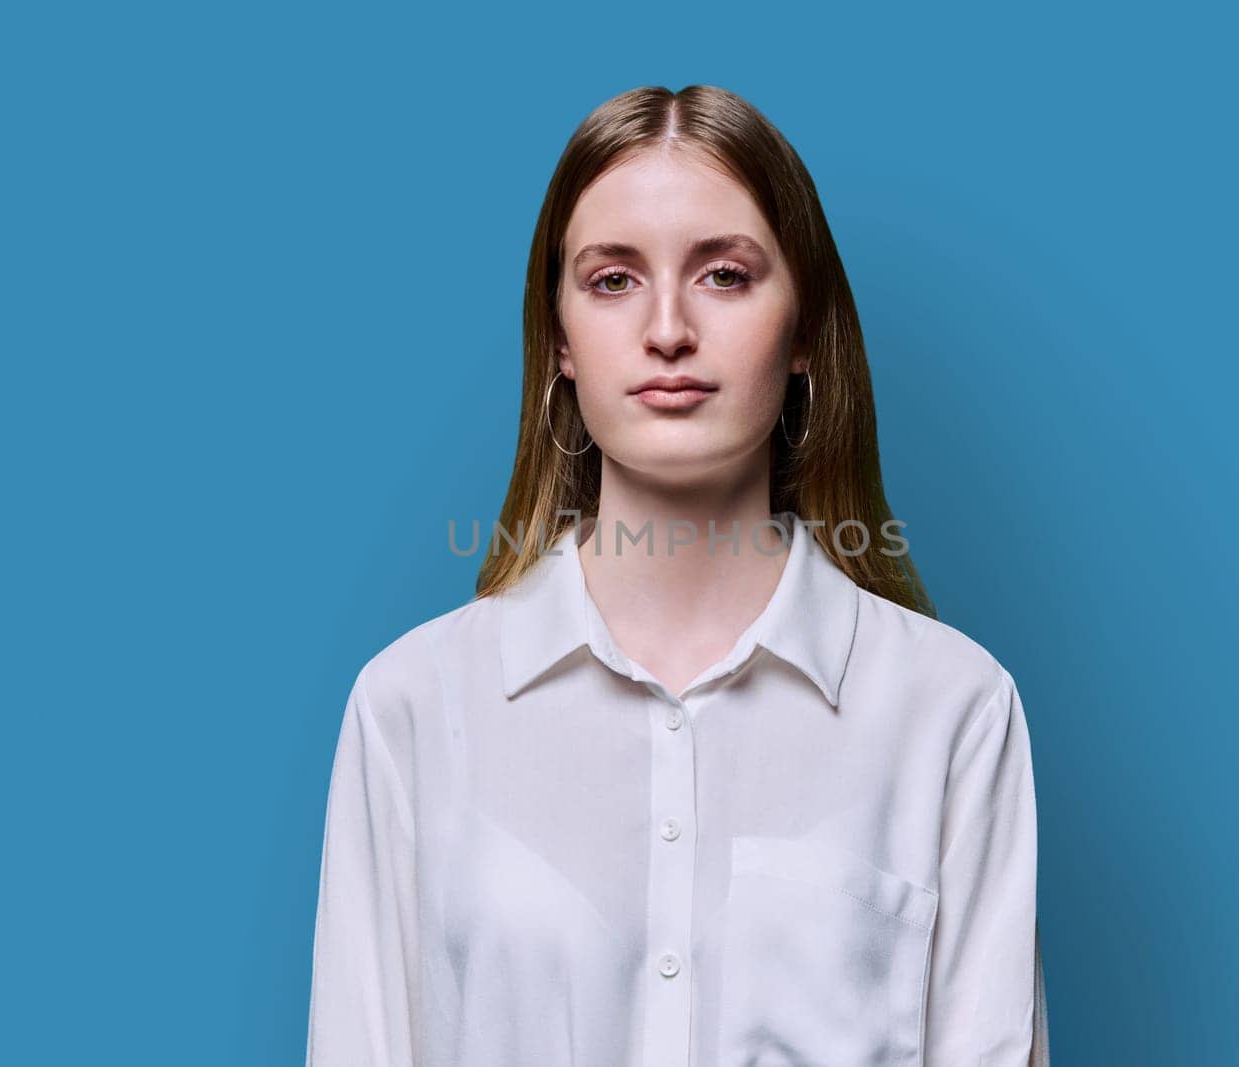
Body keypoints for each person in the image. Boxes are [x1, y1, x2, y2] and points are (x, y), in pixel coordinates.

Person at [305, 84, 1048, 1067]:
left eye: (724, 276)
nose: (666, 330)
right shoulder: (409, 707)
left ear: (802, 333)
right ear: (559, 339)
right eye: (613, 279)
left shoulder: (954, 709)